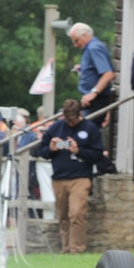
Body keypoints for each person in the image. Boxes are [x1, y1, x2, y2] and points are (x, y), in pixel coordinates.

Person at [37, 99, 103, 253]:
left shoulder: (90, 128)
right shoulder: (56, 127)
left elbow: (98, 154)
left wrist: (78, 151)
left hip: (81, 177)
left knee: (77, 213)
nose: (70, 123)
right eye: (67, 120)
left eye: (72, 120)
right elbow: (42, 152)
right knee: (63, 215)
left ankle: (77, 248)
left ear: (79, 114)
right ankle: (65, 247)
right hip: (59, 177)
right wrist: (51, 149)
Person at [68, 22, 115, 128]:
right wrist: (83, 69)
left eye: (76, 40)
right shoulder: (90, 48)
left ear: (85, 35)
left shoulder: (94, 48)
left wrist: (93, 93)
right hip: (90, 100)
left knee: (86, 131)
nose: (75, 45)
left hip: (96, 100)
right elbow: (97, 69)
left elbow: (109, 74)